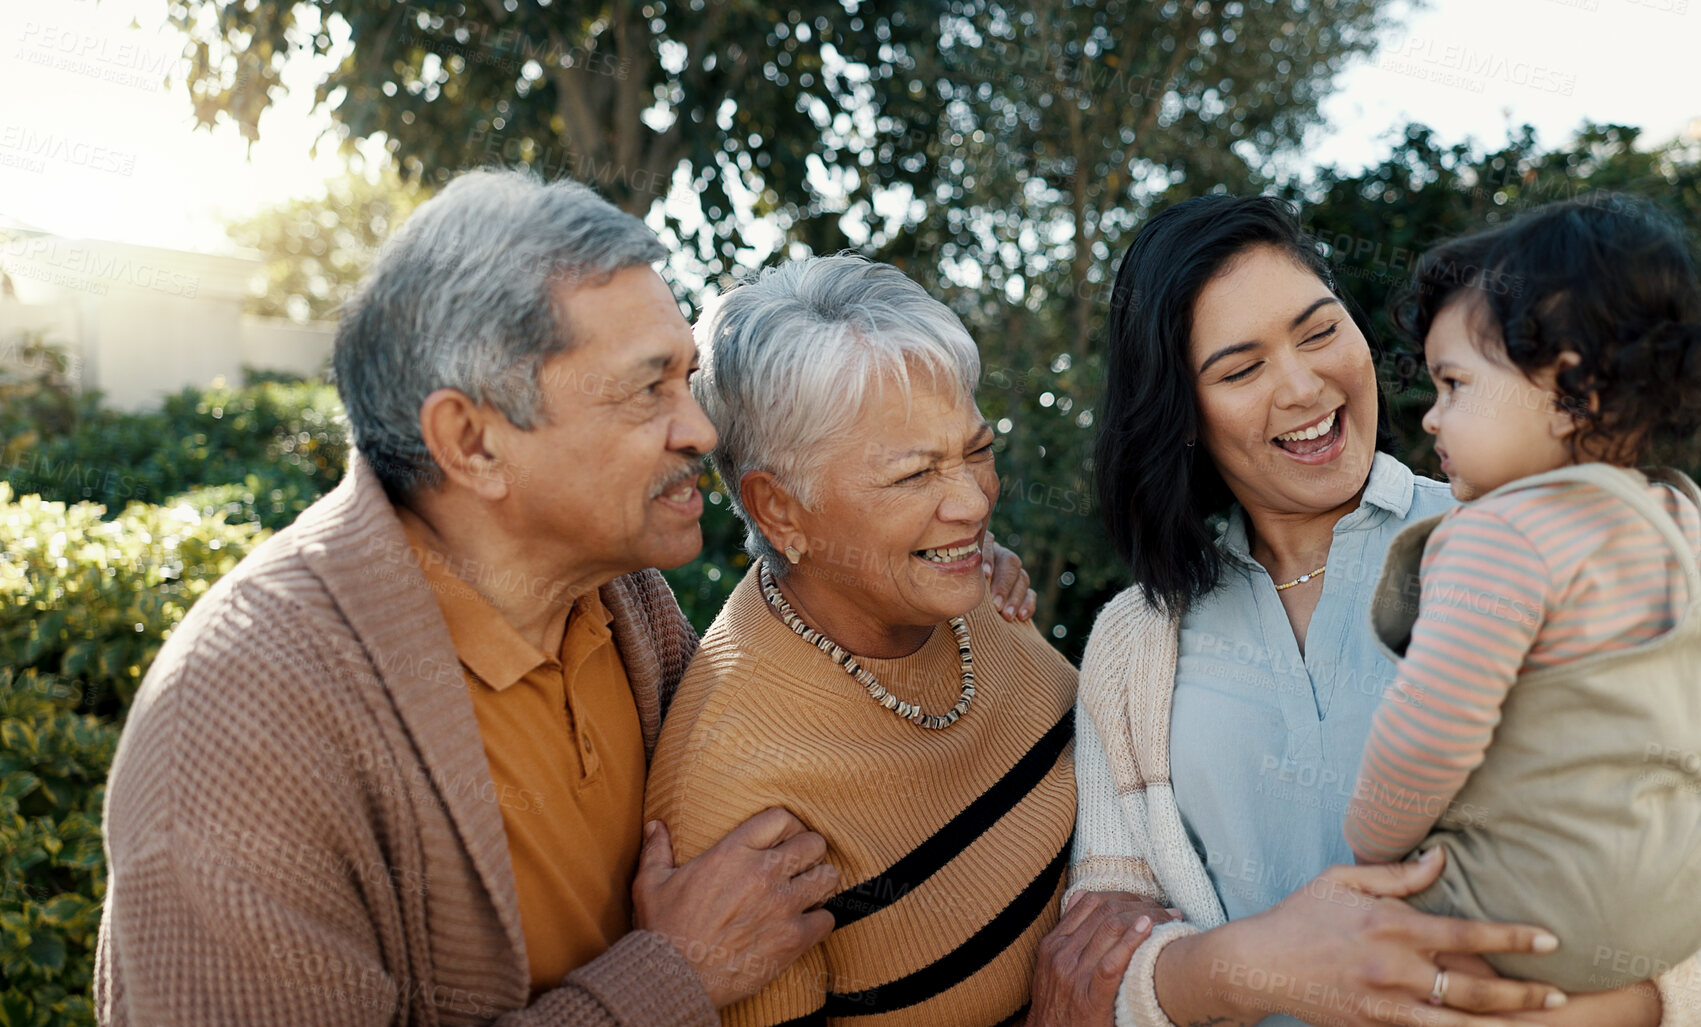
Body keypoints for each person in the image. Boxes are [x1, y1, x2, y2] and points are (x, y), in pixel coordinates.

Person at [91, 170, 1036, 1025]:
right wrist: (669, 978)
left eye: (689, 378)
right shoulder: (240, 729)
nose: (701, 430)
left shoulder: (620, 601)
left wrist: (926, 568)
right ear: (472, 441)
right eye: (648, 389)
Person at [1069, 194, 1701, 1027]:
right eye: (1240, 370)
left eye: (1318, 331)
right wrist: (1240, 970)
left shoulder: (1554, 531)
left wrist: (1568, 1019)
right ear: (1180, 413)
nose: (1302, 384)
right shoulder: (1133, 642)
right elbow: (1095, 961)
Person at [645, 255, 1171, 1027]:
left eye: (977, 451)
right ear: (780, 509)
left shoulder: (967, 590)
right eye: (914, 475)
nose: (971, 502)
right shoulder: (737, 803)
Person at [1342, 194, 1701, 991]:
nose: (1431, 419)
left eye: (1452, 384)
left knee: (1354, 946)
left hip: (1522, 908)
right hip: (1683, 906)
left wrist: (1371, 846)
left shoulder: (1498, 533)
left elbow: (1428, 734)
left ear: (1567, 391)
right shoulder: (1681, 520)